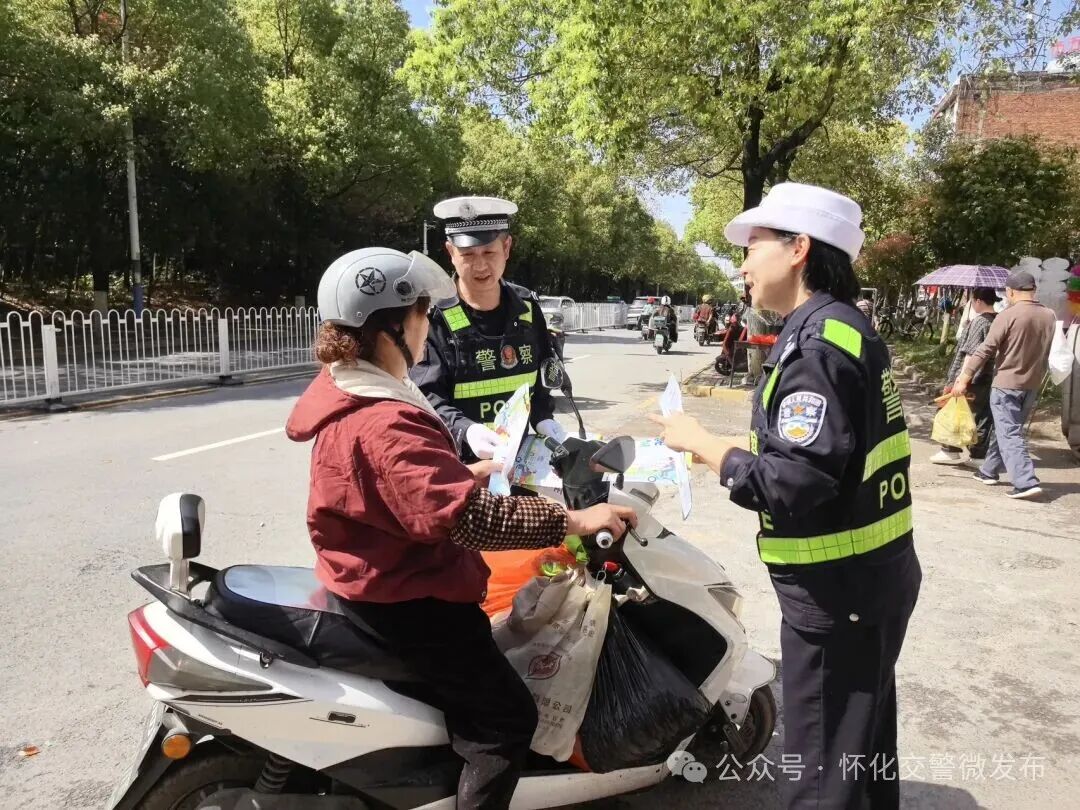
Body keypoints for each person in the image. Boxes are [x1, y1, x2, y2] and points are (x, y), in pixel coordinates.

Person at [286, 247, 636, 810]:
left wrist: (457, 476)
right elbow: (472, 521)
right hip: (409, 598)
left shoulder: (352, 391)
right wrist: (571, 519)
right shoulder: (385, 420)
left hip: (372, 573)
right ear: (393, 328)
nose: (428, 328)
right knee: (506, 719)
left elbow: (393, 489)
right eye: (422, 316)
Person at [650, 183, 921, 810]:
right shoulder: (843, 328)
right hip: (868, 581)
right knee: (861, 755)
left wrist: (703, 445)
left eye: (752, 246)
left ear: (799, 248)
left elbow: (792, 484)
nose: (743, 264)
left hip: (837, 592)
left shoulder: (816, 348)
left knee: (821, 773)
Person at [410, 196, 563, 462]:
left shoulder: (528, 309)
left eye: (489, 253)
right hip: (459, 465)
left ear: (506, 247)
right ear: (450, 252)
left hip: (519, 464)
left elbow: (541, 378)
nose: (480, 266)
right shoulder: (433, 317)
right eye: (468, 254)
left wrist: (543, 419)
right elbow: (425, 396)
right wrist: (465, 430)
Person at [953, 270, 1058, 499]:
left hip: (1006, 384)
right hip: (1032, 385)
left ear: (1010, 291)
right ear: (1033, 290)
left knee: (1009, 433)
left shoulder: (1007, 315)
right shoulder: (1049, 315)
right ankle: (988, 471)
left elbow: (985, 349)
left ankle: (1025, 482)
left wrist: (964, 377)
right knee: (1007, 429)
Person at [930, 287, 1000, 465]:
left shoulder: (980, 322)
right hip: (989, 375)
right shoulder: (998, 320)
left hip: (972, 376)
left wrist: (961, 378)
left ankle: (950, 450)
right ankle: (978, 454)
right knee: (982, 416)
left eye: (972, 301)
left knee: (956, 411)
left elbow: (971, 353)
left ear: (978, 301)